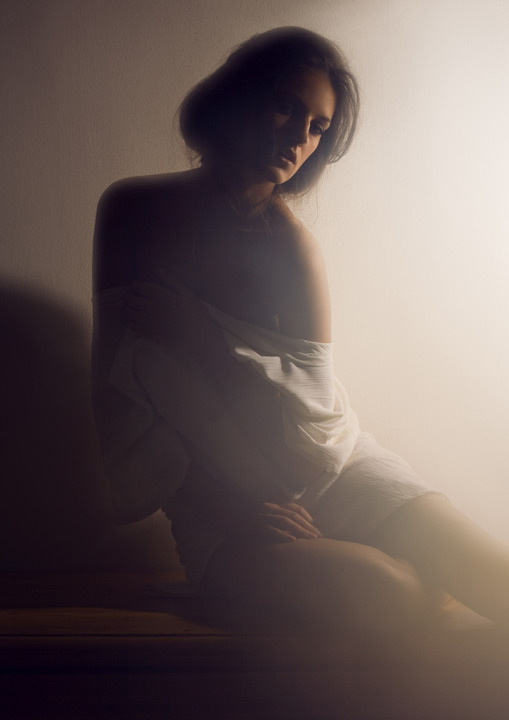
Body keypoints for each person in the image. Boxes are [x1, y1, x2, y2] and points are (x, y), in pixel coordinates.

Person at [93, 27, 509, 634]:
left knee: (491, 575)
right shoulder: (133, 211)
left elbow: (312, 430)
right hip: (223, 503)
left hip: (338, 467)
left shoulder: (295, 251)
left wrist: (205, 341)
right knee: (394, 593)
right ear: (238, 96)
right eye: (287, 107)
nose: (299, 137)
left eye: (318, 128)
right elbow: (114, 396)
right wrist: (228, 503)